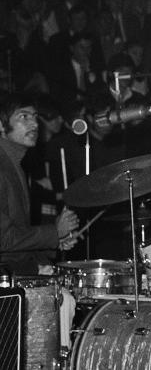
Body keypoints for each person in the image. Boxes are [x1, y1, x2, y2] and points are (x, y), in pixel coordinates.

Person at [0, 93, 80, 274]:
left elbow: (17, 236)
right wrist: (54, 232)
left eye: (35, 117)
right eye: (24, 117)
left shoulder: (14, 163)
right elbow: (3, 240)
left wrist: (55, 240)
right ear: (1, 125)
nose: (35, 124)